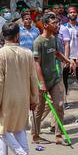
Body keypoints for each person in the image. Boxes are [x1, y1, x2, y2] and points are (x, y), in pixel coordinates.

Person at [0, 21, 39, 155]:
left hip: (6, 98)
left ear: (3, 36)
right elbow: (33, 78)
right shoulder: (27, 53)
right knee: (19, 128)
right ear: (18, 35)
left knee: (0, 129)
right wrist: (34, 99)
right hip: (23, 97)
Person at [32, 13, 73, 146]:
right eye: (54, 23)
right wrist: (42, 84)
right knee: (39, 109)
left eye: (57, 23)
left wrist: (67, 61)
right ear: (45, 25)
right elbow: (36, 63)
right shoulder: (38, 42)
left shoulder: (54, 38)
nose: (57, 25)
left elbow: (56, 52)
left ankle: (58, 135)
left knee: (59, 105)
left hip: (54, 78)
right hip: (41, 80)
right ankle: (35, 135)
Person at [59, 7, 78, 99]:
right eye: (71, 12)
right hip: (66, 57)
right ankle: (64, 100)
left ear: (77, 14)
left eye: (74, 12)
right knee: (64, 78)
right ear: (67, 14)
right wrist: (66, 58)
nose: (73, 14)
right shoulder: (63, 27)